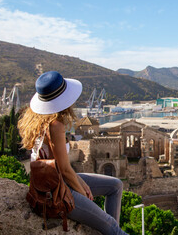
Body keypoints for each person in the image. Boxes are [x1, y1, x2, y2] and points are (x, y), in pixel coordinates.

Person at [18, 71, 128, 235]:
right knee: (111, 224)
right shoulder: (55, 125)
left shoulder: (39, 121)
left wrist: (81, 183)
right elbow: (63, 168)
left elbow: (63, 168)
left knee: (116, 185)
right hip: (55, 191)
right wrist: (83, 192)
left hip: (54, 182)